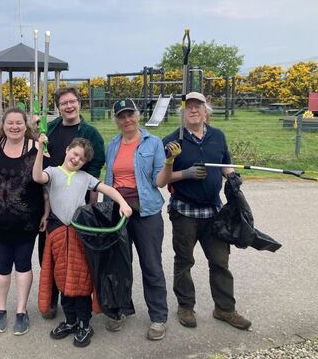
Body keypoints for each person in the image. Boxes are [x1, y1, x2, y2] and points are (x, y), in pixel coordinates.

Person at [162, 92, 252, 331]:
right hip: (184, 212)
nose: (193, 110)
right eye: (189, 106)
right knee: (184, 261)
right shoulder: (173, 141)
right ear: (183, 112)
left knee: (220, 261)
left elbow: (224, 164)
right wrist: (186, 173)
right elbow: (162, 178)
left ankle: (224, 309)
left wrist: (232, 177)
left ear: (205, 111)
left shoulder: (217, 136)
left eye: (198, 106)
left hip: (213, 210)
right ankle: (185, 306)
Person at [33, 136, 132, 348]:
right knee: (62, 279)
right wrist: (40, 149)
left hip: (79, 235)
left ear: (85, 162)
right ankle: (70, 321)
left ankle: (84, 323)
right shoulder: (52, 173)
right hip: (58, 234)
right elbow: (37, 177)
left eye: (81, 158)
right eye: (74, 153)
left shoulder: (85, 177)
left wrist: (122, 203)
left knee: (81, 280)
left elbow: (108, 190)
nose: (76, 159)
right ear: (67, 150)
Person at [103, 98, 181, 341]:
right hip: (118, 211)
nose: (127, 120)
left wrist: (169, 163)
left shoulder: (153, 142)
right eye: (122, 116)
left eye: (130, 114)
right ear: (116, 120)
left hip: (146, 212)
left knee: (151, 265)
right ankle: (120, 310)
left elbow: (159, 181)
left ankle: (158, 317)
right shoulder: (113, 144)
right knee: (119, 265)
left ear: (138, 115)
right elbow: (109, 179)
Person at [36, 86, 105, 319]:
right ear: (58, 107)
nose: (68, 106)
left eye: (72, 101)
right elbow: (37, 152)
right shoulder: (51, 129)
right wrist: (33, 128)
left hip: (77, 206)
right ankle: (54, 299)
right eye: (63, 103)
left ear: (79, 103)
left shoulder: (91, 133)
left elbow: (95, 172)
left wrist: (92, 208)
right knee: (49, 252)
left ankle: (79, 302)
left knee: (76, 259)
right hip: (51, 198)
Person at [0, 107, 46, 336]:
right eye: (10, 123)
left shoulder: (36, 148)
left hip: (27, 220)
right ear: (3, 125)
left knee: (23, 264)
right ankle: (1, 309)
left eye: (19, 123)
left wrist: (46, 213)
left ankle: (21, 311)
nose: (14, 127)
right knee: (1, 266)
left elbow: (45, 183)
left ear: (25, 125)